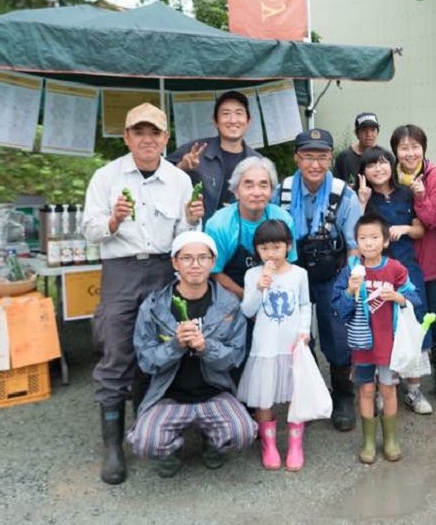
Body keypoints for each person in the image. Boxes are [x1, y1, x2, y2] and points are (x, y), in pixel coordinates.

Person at [82, 102, 201, 485]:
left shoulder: (179, 179)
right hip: (121, 269)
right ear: (127, 137)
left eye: (155, 133)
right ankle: (113, 447)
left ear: (166, 139)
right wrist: (114, 220)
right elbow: (89, 230)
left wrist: (195, 219)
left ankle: (156, 435)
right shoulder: (106, 177)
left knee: (164, 352)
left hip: (165, 270)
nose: (147, 139)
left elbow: (185, 233)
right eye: (139, 132)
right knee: (117, 351)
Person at [126, 231, 257, 478]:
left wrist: (206, 346)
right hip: (169, 396)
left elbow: (235, 358)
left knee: (243, 432)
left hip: (213, 393)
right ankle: (169, 449)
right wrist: (175, 345)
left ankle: (212, 441)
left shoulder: (228, 305)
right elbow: (146, 361)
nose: (195, 265)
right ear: (175, 262)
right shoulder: (154, 306)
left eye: (202, 258)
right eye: (186, 258)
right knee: (145, 442)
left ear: (212, 261)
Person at [273, 128, 363, 431]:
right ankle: (308, 392)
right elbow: (272, 234)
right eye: (308, 156)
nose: (315, 164)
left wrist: (350, 280)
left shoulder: (343, 193)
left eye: (322, 157)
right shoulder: (282, 190)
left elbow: (354, 241)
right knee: (297, 335)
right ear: (297, 158)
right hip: (293, 272)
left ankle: (343, 395)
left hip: (332, 271)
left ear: (330, 158)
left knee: (337, 335)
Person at [332, 214, 423, 463]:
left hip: (388, 344)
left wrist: (398, 297)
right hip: (362, 344)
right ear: (356, 241)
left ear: (385, 242)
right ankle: (369, 441)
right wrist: (350, 290)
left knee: (388, 388)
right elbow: (338, 308)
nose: (368, 243)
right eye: (362, 238)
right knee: (366, 389)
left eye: (374, 237)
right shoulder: (351, 269)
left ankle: (391, 439)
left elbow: (415, 298)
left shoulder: (394, 268)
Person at [355, 146, 431, 414]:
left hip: (406, 268)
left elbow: (421, 229)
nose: (378, 168)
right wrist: (361, 204)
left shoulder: (406, 193)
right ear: (363, 172)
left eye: (383, 162)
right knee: (378, 327)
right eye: (371, 165)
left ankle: (413, 390)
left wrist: (406, 228)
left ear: (391, 164)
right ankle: (382, 388)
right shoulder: (363, 197)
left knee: (413, 323)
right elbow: (357, 235)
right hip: (375, 272)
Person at [237, 220, 312, 471]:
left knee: (295, 393)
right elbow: (247, 310)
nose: (271, 253)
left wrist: (304, 331)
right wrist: (259, 287)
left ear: (288, 247)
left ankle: (295, 444)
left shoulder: (299, 274)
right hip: (265, 346)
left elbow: (304, 304)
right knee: (264, 397)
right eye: (265, 248)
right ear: (257, 250)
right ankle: (268, 445)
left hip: (292, 344)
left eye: (277, 247)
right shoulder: (252, 275)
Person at [390, 124, 436, 404]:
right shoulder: (389, 176)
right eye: (404, 147)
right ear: (395, 151)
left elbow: (431, 221)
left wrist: (420, 195)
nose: (410, 152)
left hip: (431, 264)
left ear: (424, 148)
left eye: (415, 146)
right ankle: (400, 381)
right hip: (400, 264)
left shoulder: (435, 176)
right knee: (402, 323)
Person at [205, 156, 297, 300]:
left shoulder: (284, 220)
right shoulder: (218, 225)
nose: (256, 192)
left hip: (274, 295)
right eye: (248, 186)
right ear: (236, 191)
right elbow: (215, 272)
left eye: (263, 185)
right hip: (228, 297)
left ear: (272, 191)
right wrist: (248, 299)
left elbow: (289, 265)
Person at [167, 90, 261, 221]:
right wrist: (181, 167)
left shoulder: (258, 162)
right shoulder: (196, 150)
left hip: (240, 235)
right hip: (199, 234)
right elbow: (159, 181)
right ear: (215, 121)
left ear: (248, 121)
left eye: (239, 113)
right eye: (226, 114)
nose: (233, 120)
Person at [333, 111, 380, 190]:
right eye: (364, 130)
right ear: (356, 133)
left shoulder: (384, 157)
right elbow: (336, 185)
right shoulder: (344, 157)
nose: (369, 134)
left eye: (372, 130)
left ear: (377, 132)